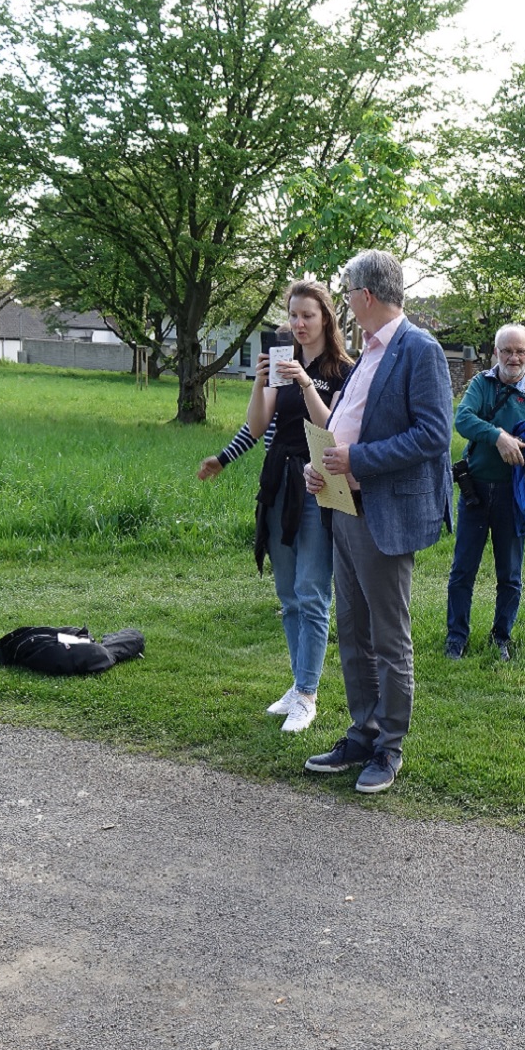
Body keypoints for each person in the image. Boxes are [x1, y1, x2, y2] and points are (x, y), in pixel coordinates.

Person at [301, 250, 452, 794]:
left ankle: (390, 749)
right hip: (344, 506)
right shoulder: (367, 352)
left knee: (389, 639)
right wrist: (322, 467)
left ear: (366, 295)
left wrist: (356, 461)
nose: (343, 302)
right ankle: (361, 732)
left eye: (346, 293)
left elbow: (434, 436)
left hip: (384, 514)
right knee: (353, 631)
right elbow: (348, 422)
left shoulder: (420, 350)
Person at [198, 281, 352, 733]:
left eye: (308, 315)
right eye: (293, 315)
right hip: (278, 484)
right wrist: (260, 382)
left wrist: (306, 384)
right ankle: (297, 684)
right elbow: (259, 425)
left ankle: (308, 695)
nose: (299, 324)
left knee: (312, 593)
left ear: (326, 317)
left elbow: (335, 429)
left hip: (319, 487)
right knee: (288, 597)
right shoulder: (281, 363)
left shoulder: (344, 370)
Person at [445, 324, 525, 661]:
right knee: (462, 571)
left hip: (515, 496)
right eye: (507, 351)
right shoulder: (482, 384)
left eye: (520, 352)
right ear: (496, 352)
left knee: (510, 574)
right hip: (476, 492)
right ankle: (456, 639)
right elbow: (463, 420)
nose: (513, 357)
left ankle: (501, 638)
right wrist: (498, 436)